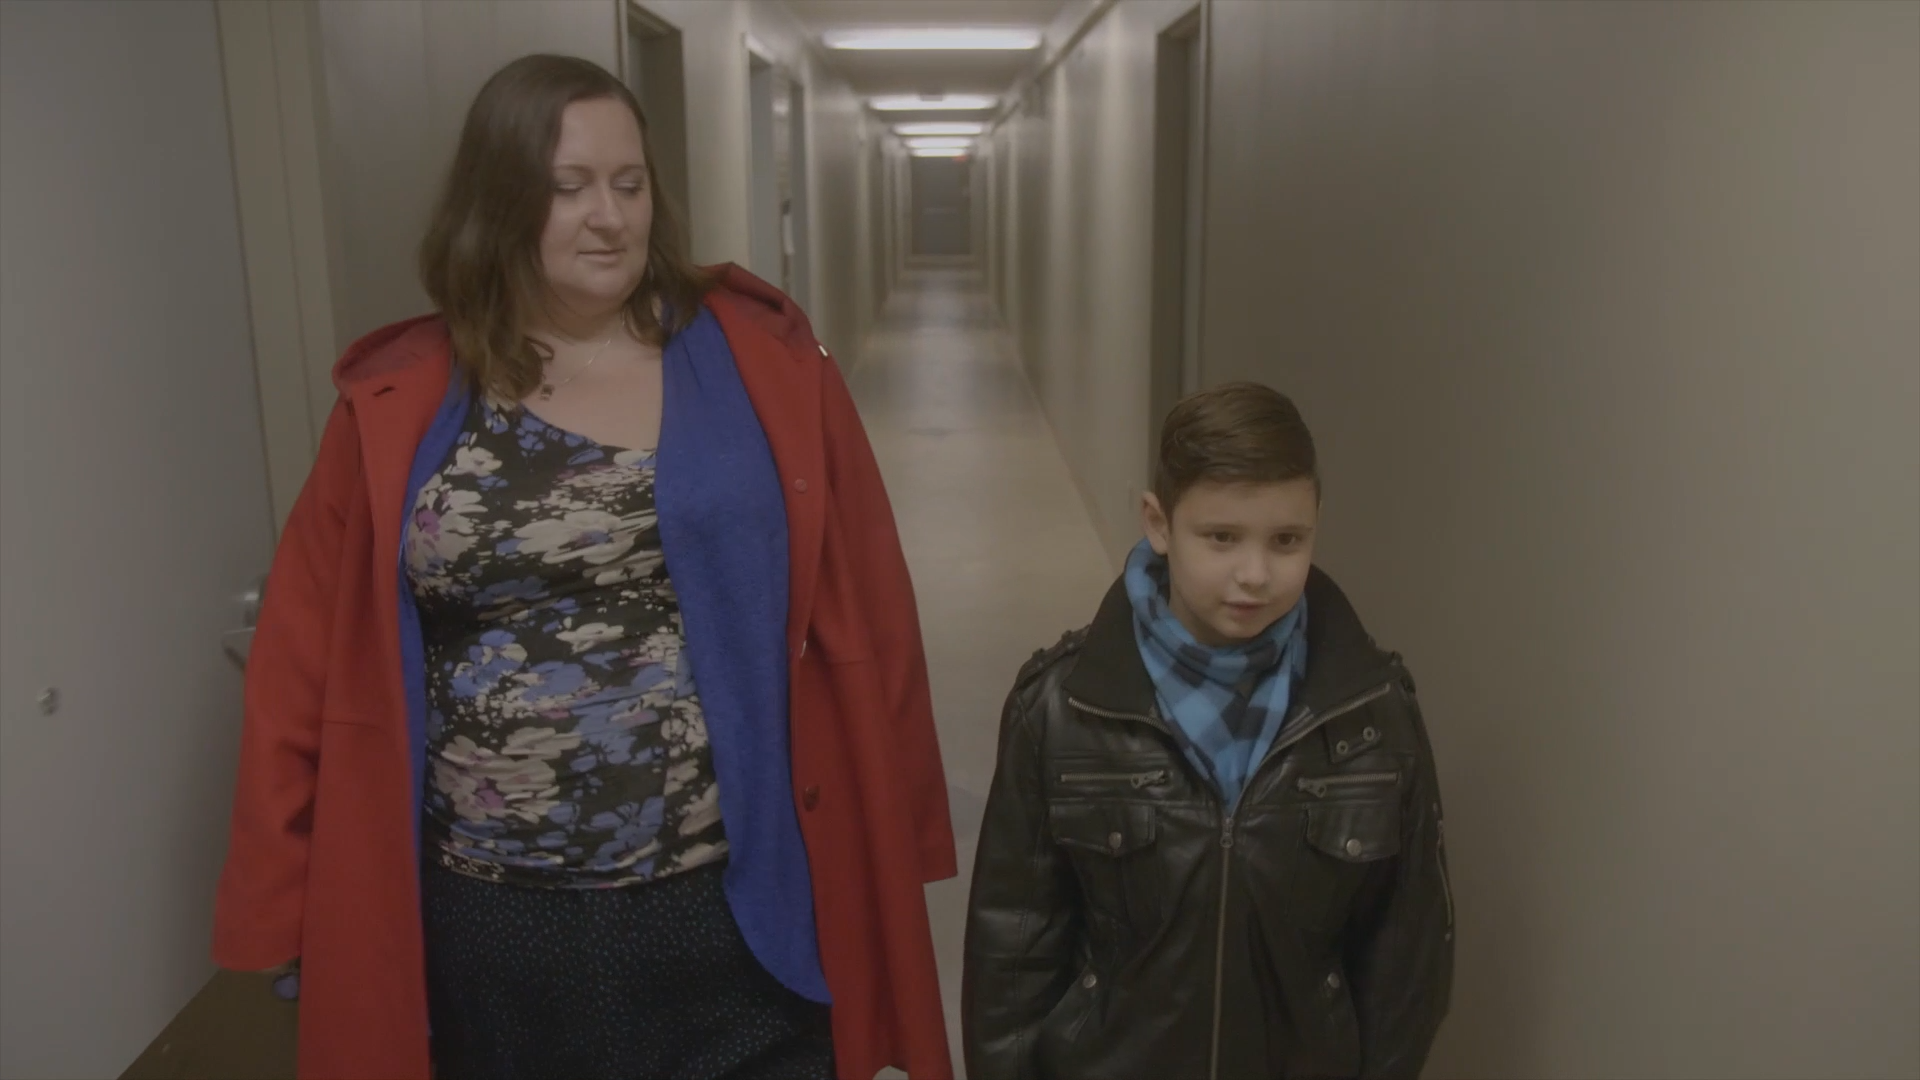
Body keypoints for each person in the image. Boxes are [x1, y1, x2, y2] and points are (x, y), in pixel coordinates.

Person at [212, 54, 956, 1080]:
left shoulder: (757, 364)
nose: (609, 218)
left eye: (629, 183)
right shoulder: (403, 402)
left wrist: (895, 825)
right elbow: (299, 670)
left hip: (724, 901)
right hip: (491, 921)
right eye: (567, 188)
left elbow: (870, 608)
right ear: (498, 204)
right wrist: (281, 899)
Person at [962, 383, 1453, 1079]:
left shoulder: (1374, 715)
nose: (1255, 575)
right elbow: (1012, 958)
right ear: (1159, 524)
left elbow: (1406, 961)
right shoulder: (1061, 710)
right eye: (1221, 537)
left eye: (1287, 540)